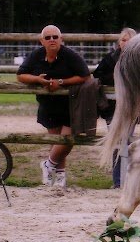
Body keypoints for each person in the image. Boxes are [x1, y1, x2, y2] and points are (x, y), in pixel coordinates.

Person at [17, 25, 90, 188]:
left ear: (61, 39)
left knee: (67, 140)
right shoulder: (35, 55)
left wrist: (61, 82)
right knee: (56, 141)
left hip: (70, 104)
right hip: (47, 104)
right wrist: (37, 79)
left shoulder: (70, 56)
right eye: (48, 38)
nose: (52, 40)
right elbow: (20, 75)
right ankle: (59, 177)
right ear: (41, 41)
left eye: (55, 37)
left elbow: (85, 75)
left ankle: (48, 165)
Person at [93, 27, 137, 188]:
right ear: (119, 42)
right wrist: (116, 77)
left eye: (129, 39)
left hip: (132, 106)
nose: (125, 43)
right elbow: (97, 76)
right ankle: (118, 181)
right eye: (123, 39)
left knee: (127, 141)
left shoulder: (139, 60)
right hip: (112, 107)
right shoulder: (110, 59)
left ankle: (127, 180)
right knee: (118, 141)